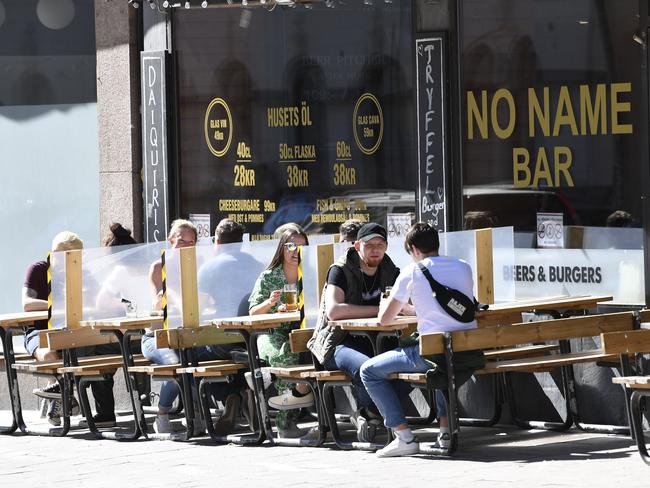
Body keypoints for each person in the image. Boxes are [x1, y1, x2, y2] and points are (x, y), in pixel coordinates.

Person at [360, 222, 484, 457]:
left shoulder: (412, 271)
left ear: (414, 250)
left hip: (431, 353)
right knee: (441, 364)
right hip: (467, 351)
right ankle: (445, 433)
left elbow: (385, 320)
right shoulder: (464, 266)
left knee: (368, 370)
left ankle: (404, 436)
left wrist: (391, 304)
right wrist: (414, 309)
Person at [144, 219, 243, 435]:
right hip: (157, 336)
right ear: (170, 241)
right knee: (176, 361)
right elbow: (157, 304)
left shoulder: (198, 266)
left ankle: (203, 411)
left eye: (191, 242)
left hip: (190, 333)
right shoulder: (159, 267)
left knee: (204, 356)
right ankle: (162, 413)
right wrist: (172, 295)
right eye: (181, 241)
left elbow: (206, 302)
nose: (186, 246)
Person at [307, 222, 402, 442]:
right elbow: (334, 311)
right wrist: (380, 310)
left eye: (381, 244)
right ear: (358, 245)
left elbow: (405, 302)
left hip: (377, 341)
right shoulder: (340, 270)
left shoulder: (390, 269)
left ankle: (368, 413)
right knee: (365, 367)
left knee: (410, 365)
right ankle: (375, 413)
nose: (376, 249)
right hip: (337, 342)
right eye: (370, 245)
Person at [24, 231, 112, 426]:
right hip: (39, 331)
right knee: (49, 354)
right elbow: (27, 304)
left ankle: (64, 394)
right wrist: (60, 304)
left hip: (72, 330)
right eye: (73, 256)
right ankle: (63, 398)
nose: (77, 260)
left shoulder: (82, 273)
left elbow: (97, 304)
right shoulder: (38, 269)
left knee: (100, 350)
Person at [248, 225, 313, 438]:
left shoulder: (313, 274)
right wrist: (270, 302)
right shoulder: (269, 276)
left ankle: (270, 377)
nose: (296, 251)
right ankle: (285, 423)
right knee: (287, 354)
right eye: (291, 246)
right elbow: (253, 312)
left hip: (303, 331)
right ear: (282, 249)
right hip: (270, 332)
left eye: (301, 246)